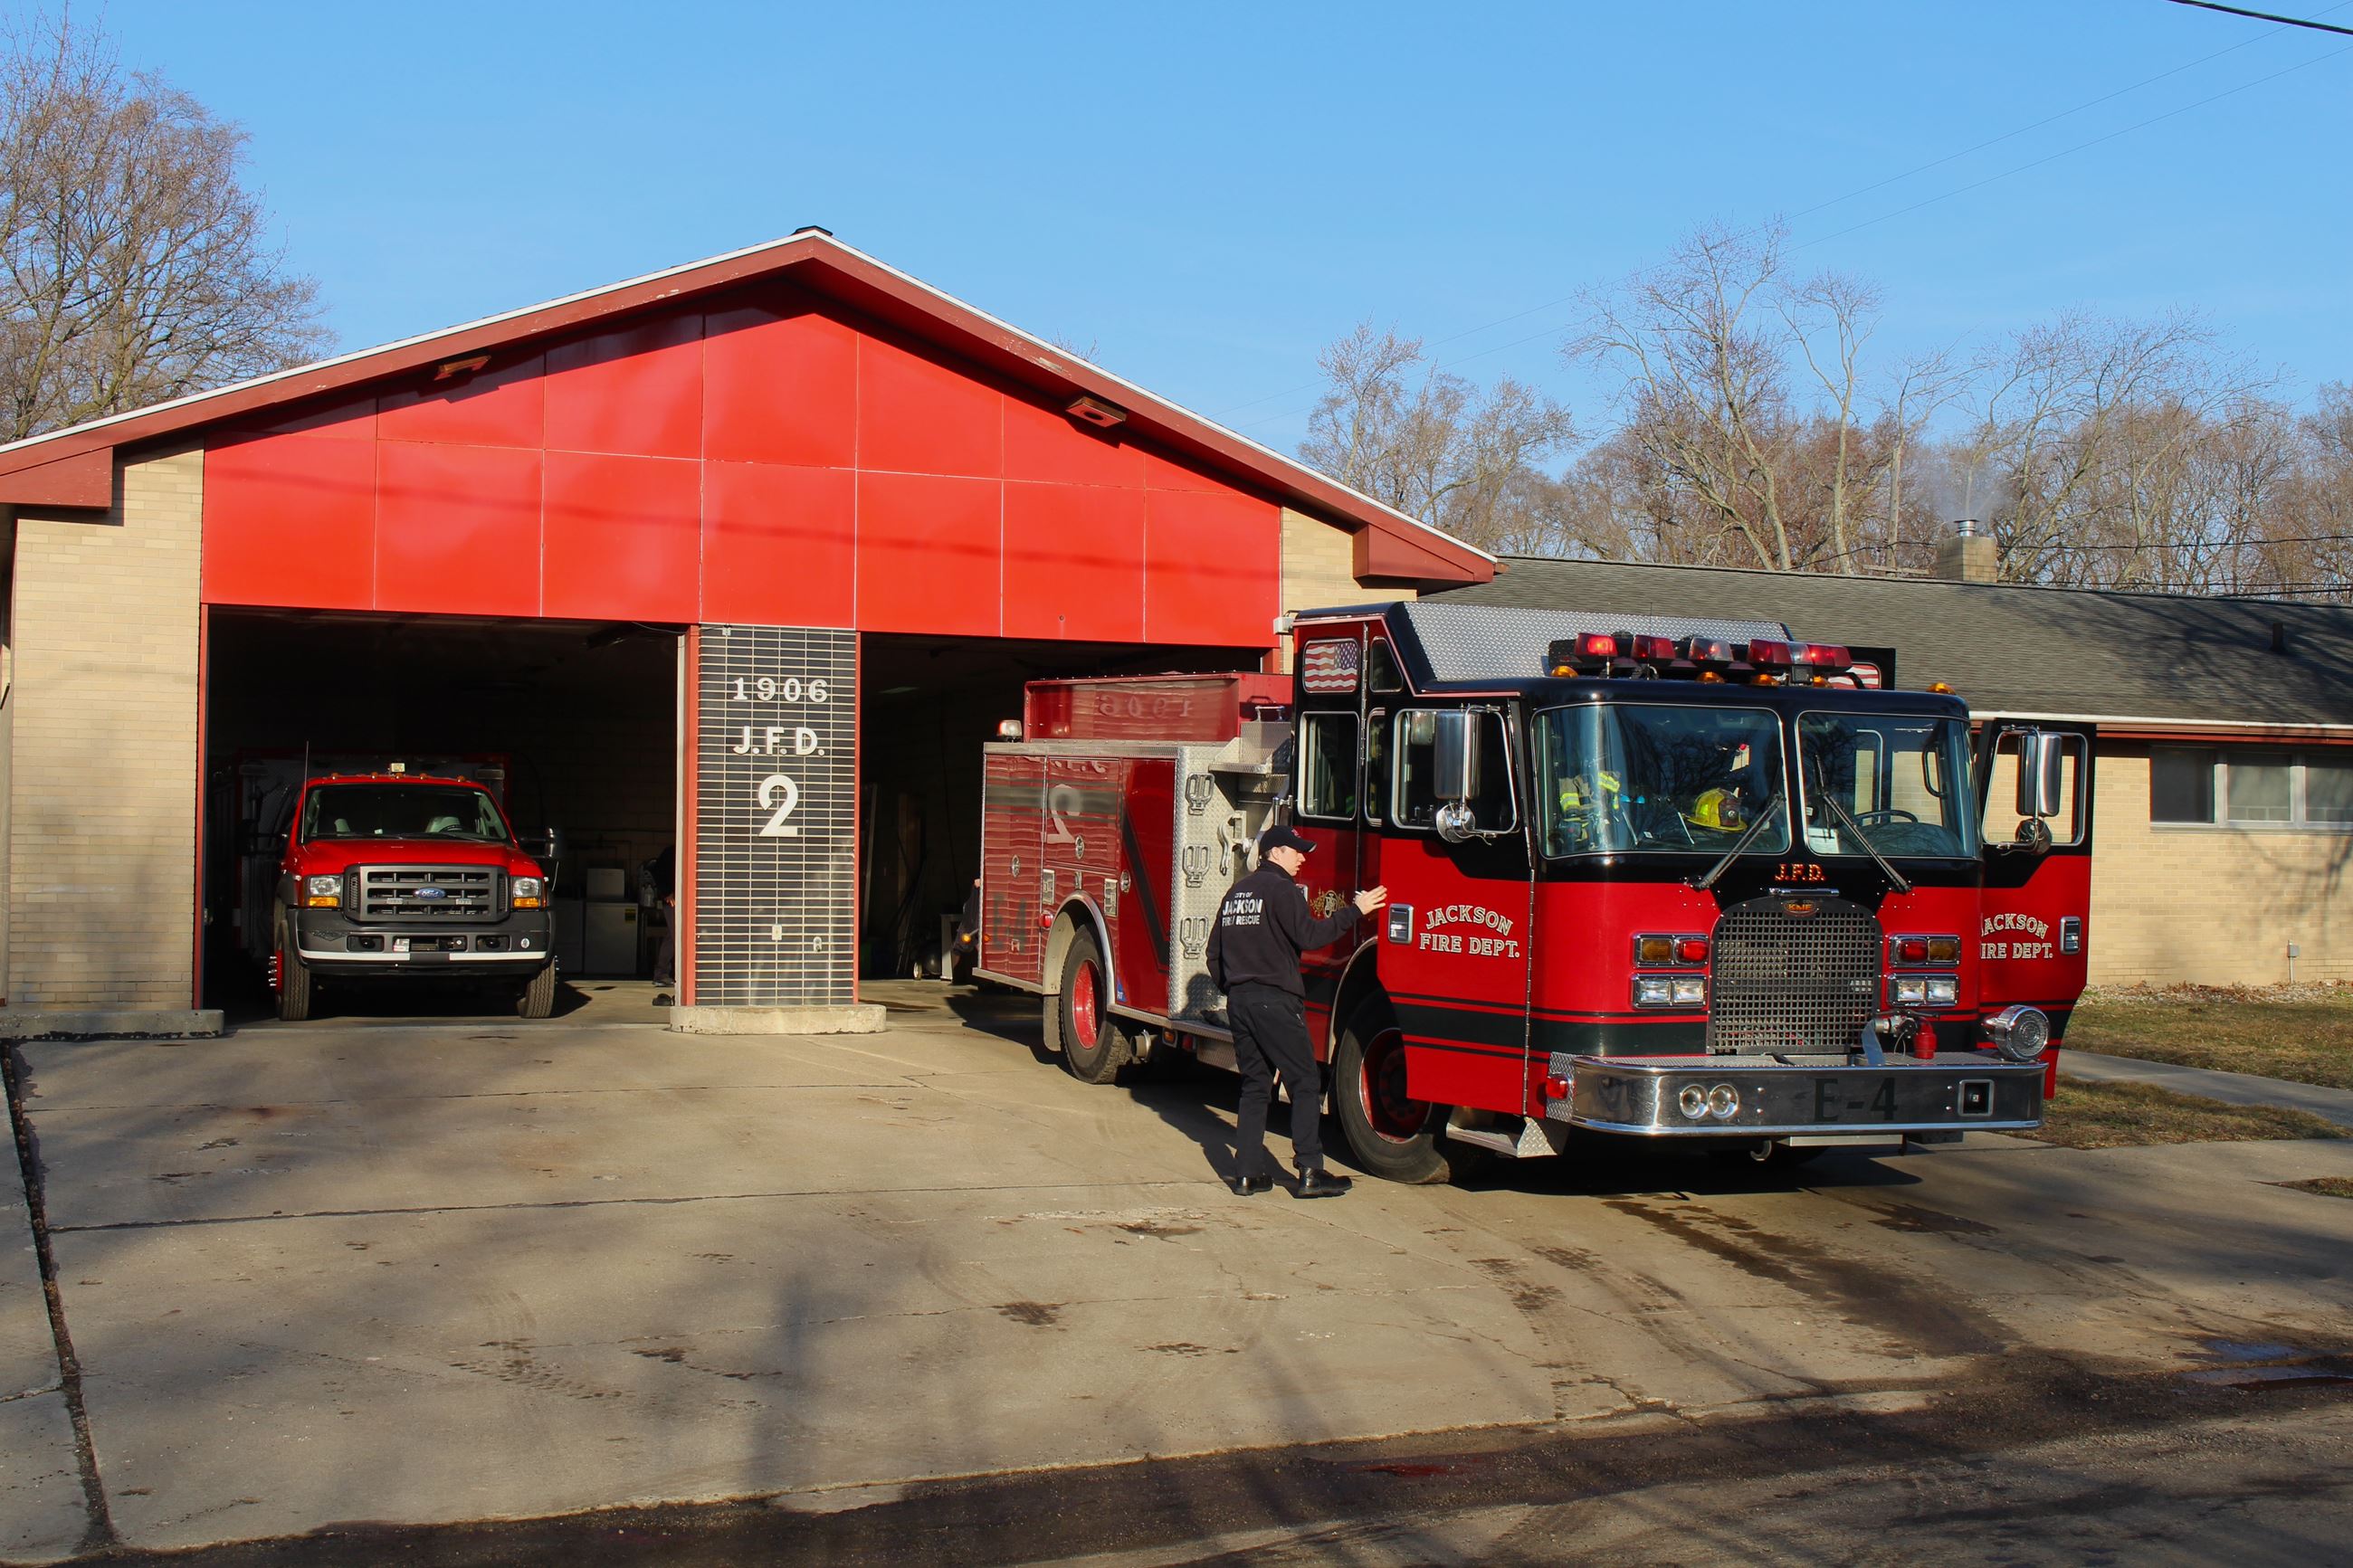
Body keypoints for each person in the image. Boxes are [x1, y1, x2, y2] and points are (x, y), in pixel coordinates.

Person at [1205, 824, 1387, 1199]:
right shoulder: (1283, 891)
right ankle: (1310, 1171)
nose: (1302, 858)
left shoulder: (1236, 893)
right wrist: (1356, 910)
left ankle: (1246, 1175)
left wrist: (1235, 989)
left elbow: (1213, 955)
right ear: (1275, 852)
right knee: (1304, 1081)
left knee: (1255, 1086)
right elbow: (1311, 936)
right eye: (1296, 851)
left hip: (1240, 1003)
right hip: (1275, 1001)